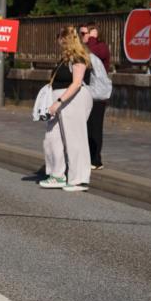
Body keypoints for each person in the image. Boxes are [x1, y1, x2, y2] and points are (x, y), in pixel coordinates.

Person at [39, 26, 93, 192]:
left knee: (75, 138)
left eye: (61, 41)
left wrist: (59, 101)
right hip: (61, 101)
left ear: (67, 41)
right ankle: (57, 174)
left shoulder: (78, 58)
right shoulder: (65, 59)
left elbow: (76, 83)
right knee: (52, 138)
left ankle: (79, 178)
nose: (59, 44)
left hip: (72, 100)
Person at [80, 23, 111, 169]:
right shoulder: (81, 49)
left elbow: (93, 53)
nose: (84, 36)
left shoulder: (101, 47)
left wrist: (91, 39)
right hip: (85, 92)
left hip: (97, 95)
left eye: (87, 33)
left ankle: (96, 160)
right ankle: (86, 156)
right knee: (85, 126)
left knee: (95, 126)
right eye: (82, 34)